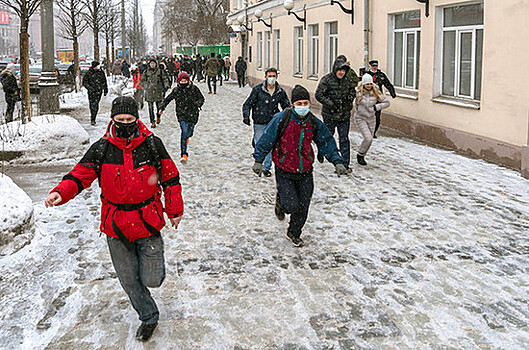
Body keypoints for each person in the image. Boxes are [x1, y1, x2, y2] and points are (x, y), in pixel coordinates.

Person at [44, 96, 184, 342]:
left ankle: (148, 275)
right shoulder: (102, 148)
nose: (125, 124)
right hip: (116, 224)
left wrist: (173, 210)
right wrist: (60, 192)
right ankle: (148, 316)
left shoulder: (152, 144)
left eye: (129, 120)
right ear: (113, 120)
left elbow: (170, 177)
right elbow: (79, 176)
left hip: (147, 221)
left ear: (137, 119)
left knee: (153, 277)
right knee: (129, 279)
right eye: (120, 120)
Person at [252, 85, 348, 247]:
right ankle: (281, 202)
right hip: (284, 168)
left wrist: (337, 161)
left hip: (305, 169)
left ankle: (294, 232)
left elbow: (325, 141)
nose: (303, 107)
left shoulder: (312, 122)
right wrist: (258, 160)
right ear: (293, 104)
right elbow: (267, 139)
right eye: (299, 103)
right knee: (291, 205)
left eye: (305, 103)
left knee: (303, 206)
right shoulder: (282, 119)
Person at [242, 68, 290, 177]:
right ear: (265, 77)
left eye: (274, 76)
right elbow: (248, 103)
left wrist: (288, 117)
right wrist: (246, 115)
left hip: (273, 122)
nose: (271, 78)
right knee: (260, 143)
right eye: (269, 76)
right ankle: (258, 160)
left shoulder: (280, 91)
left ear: (276, 77)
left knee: (269, 145)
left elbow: (286, 106)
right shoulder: (258, 90)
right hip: (259, 120)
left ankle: (266, 167)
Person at [315, 57, 356, 170]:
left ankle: (345, 163)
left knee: (344, 139)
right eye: (339, 70)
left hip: (344, 115)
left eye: (343, 70)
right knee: (328, 137)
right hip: (330, 115)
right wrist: (330, 104)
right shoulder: (327, 80)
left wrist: (351, 97)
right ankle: (322, 151)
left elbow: (352, 90)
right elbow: (319, 95)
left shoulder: (347, 80)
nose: (341, 72)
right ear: (335, 69)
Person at [158, 71, 205, 164]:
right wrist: (161, 108)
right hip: (181, 114)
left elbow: (201, 98)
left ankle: (187, 138)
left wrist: (197, 105)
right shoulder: (176, 90)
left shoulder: (194, 89)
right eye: (181, 81)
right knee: (184, 132)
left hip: (193, 114)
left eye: (185, 80)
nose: (183, 82)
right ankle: (184, 154)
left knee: (189, 133)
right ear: (179, 81)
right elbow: (168, 99)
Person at [354, 74, 390, 166]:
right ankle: (360, 155)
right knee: (368, 138)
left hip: (371, 118)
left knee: (370, 140)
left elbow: (387, 102)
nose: (369, 86)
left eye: (370, 84)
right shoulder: (358, 92)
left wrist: (376, 107)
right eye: (367, 84)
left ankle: (362, 154)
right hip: (360, 118)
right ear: (363, 84)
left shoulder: (376, 92)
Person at [365, 60, 396, 138]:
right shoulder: (367, 75)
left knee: (377, 117)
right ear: (370, 66)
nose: (375, 68)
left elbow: (387, 84)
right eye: (373, 66)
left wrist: (392, 93)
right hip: (368, 98)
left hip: (378, 98)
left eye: (376, 66)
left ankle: (373, 132)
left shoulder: (381, 75)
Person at [141, 59, 169, 128]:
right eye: (151, 63)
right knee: (150, 108)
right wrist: (146, 86)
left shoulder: (160, 71)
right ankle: (152, 121)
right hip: (149, 92)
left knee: (159, 107)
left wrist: (166, 86)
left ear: (156, 64)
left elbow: (165, 79)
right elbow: (142, 80)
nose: (152, 64)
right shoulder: (146, 71)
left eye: (153, 63)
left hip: (158, 91)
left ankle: (158, 116)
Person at [82, 60, 108, 125]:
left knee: (96, 104)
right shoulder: (89, 73)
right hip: (91, 92)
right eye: (97, 66)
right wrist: (90, 88)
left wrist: (105, 89)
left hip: (99, 91)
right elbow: (84, 82)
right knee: (92, 104)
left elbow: (104, 81)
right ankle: (93, 118)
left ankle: (93, 116)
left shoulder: (101, 72)